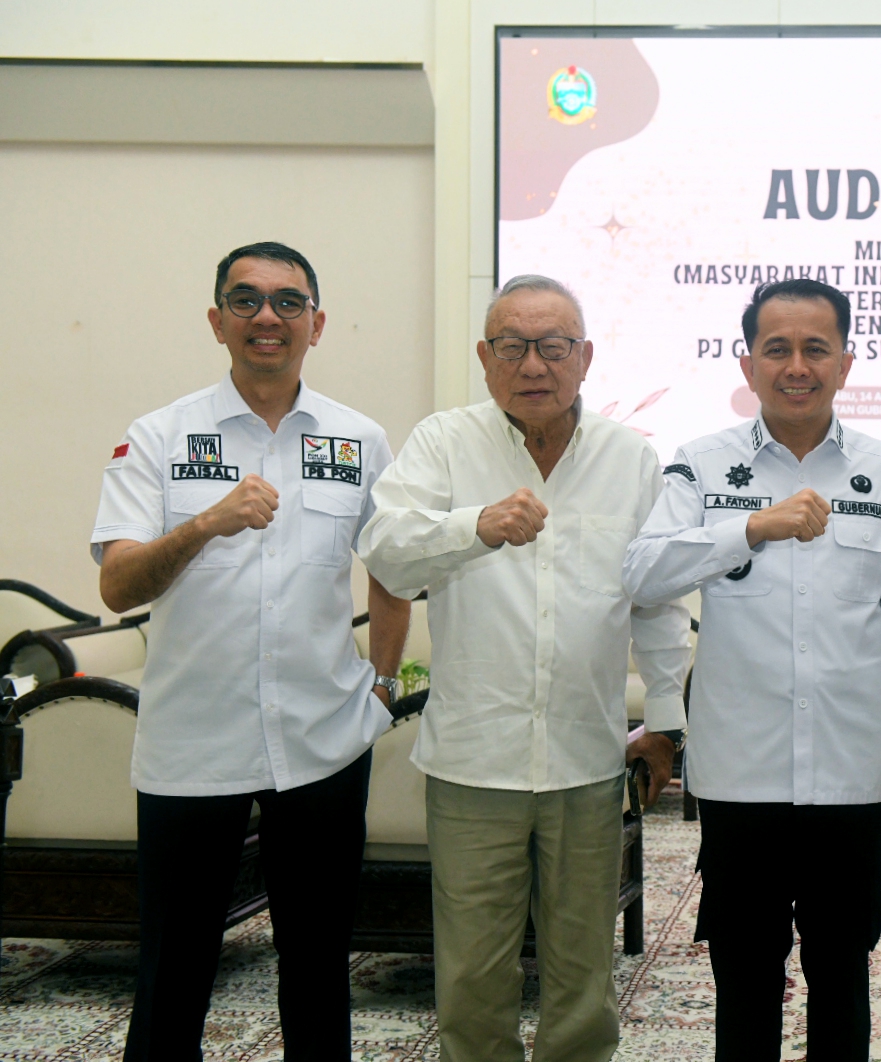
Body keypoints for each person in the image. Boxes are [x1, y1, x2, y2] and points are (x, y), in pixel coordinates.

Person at [357, 274, 690, 1062]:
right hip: (474, 760)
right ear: (484, 357)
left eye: (552, 346)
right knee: (473, 969)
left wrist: (667, 722)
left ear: (585, 357)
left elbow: (655, 600)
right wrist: (474, 526)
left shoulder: (629, 460)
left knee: (583, 971)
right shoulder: (442, 442)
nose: (533, 364)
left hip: (585, 757)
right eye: (512, 346)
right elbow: (386, 551)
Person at [91, 241, 410, 1060]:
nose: (267, 316)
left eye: (287, 302)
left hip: (323, 738)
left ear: (316, 324)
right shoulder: (158, 436)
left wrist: (380, 684)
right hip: (194, 742)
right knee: (174, 969)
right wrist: (203, 524)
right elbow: (118, 586)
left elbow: (392, 569)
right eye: (246, 300)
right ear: (217, 320)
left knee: (318, 963)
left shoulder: (359, 438)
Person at [623, 278, 881, 1062]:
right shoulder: (701, 464)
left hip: (850, 772)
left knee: (841, 972)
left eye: (814, 349)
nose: (796, 366)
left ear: (845, 363)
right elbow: (641, 573)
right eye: (776, 349)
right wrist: (751, 528)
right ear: (747, 364)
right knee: (744, 977)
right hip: (742, 775)